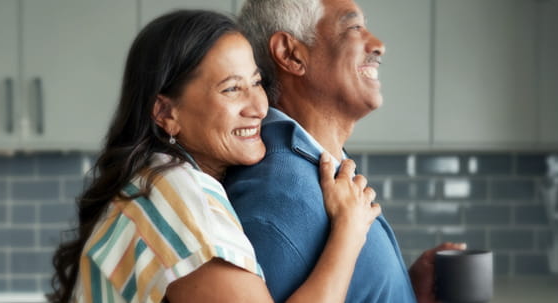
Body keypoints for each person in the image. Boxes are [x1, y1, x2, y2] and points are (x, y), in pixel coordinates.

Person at [48, 10, 384, 303]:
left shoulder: (155, 181)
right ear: (166, 112)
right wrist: (349, 231)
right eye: (231, 89)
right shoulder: (179, 195)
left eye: (257, 83)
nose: (259, 107)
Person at [225, 0, 465, 302]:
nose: (379, 45)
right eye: (354, 28)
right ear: (291, 54)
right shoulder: (278, 196)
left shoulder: (320, 169)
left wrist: (405, 289)